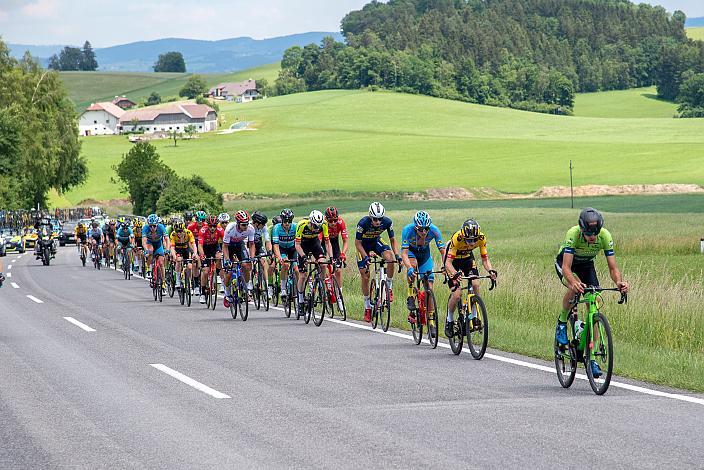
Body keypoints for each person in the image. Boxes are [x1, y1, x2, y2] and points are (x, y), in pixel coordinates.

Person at [554, 207, 629, 378]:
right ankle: (562, 322)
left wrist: (619, 282)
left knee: (593, 301)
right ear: (581, 229)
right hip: (566, 264)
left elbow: (613, 267)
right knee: (575, 288)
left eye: (595, 234)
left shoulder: (605, 236)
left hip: (586, 265)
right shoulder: (573, 234)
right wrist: (573, 282)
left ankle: (592, 357)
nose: (592, 238)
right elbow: (566, 267)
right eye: (589, 234)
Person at [444, 219, 497, 338]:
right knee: (457, 294)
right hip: (453, 261)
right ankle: (449, 320)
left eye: (474, 240)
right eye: (468, 240)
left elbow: (485, 259)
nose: (471, 243)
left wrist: (491, 271)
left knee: (475, 284)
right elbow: (448, 263)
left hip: (467, 259)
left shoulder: (482, 238)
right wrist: (454, 274)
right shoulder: (457, 238)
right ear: (463, 235)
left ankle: (474, 316)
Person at [355, 202, 401, 323]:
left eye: (380, 219)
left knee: (391, 258)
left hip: (376, 242)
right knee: (365, 276)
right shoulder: (362, 223)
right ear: (370, 217)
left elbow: (392, 240)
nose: (378, 222)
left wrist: (397, 255)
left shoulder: (388, 222)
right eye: (375, 219)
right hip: (363, 247)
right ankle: (367, 307)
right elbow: (357, 243)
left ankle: (389, 288)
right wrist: (365, 257)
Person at [400, 211, 445, 324]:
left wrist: (445, 266)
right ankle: (410, 293)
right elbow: (404, 253)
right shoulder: (407, 230)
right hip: (411, 253)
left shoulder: (435, 230)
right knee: (413, 265)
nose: (424, 232)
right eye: (420, 229)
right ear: (415, 227)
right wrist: (409, 268)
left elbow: (443, 252)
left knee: (429, 288)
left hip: (425, 255)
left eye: (426, 229)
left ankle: (430, 320)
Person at [295, 210, 333, 317]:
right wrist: (303, 257)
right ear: (311, 222)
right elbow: (297, 245)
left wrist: (331, 257)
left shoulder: (324, 224)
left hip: (314, 243)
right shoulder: (302, 225)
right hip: (302, 245)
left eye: (318, 226)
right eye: (315, 226)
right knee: (303, 275)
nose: (317, 228)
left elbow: (327, 242)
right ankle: (301, 301)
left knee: (323, 263)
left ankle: (320, 284)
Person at [222, 210, 256, 308]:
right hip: (229, 247)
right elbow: (224, 247)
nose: (246, 226)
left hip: (240, 245)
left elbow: (252, 244)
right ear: (237, 223)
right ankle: (227, 295)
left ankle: (246, 288)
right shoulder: (229, 229)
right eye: (243, 225)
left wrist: (252, 257)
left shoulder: (250, 229)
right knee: (228, 274)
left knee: (246, 265)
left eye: (247, 224)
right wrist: (228, 260)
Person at [272, 209, 297, 303]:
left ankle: (299, 290)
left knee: (297, 269)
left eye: (289, 221)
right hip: (282, 249)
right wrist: (279, 257)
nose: (287, 223)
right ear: (281, 220)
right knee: (285, 264)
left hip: (293, 249)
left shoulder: (295, 226)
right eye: (285, 221)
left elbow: (300, 242)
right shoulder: (277, 228)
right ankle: (283, 289)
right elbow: (275, 245)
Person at [198, 215, 224, 304]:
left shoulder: (220, 230)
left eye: (214, 226)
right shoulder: (203, 230)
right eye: (210, 226)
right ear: (207, 225)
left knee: (219, 257)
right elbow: (200, 245)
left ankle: (217, 273)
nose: (212, 228)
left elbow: (225, 242)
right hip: (205, 248)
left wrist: (224, 252)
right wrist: (202, 255)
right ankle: (202, 292)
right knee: (205, 271)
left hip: (215, 246)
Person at [324, 206, 348, 294]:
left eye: (335, 220)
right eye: (330, 221)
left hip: (334, 242)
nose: (333, 223)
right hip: (323, 242)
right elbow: (318, 242)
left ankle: (339, 293)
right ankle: (325, 287)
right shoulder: (323, 223)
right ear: (326, 219)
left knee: (338, 269)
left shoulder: (341, 222)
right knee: (323, 264)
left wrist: (343, 254)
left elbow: (345, 241)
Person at [142, 214, 169, 288]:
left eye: (154, 226)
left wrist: (167, 249)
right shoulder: (145, 228)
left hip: (158, 244)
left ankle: (163, 282)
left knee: (161, 263)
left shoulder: (161, 227)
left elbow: (167, 239)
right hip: (150, 243)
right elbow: (144, 241)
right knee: (150, 251)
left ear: (157, 224)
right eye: (150, 226)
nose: (152, 228)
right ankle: (148, 269)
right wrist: (146, 250)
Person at [251, 211, 274, 299]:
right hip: (249, 246)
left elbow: (267, 240)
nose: (264, 226)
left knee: (263, 262)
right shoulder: (248, 227)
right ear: (256, 223)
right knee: (249, 264)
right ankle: (249, 285)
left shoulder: (263, 227)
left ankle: (267, 286)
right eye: (263, 224)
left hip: (258, 245)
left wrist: (269, 252)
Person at [169, 221, 197, 290]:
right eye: (177, 231)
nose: (179, 233)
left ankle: (189, 281)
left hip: (186, 249)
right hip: (177, 249)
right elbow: (172, 247)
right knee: (178, 260)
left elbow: (193, 245)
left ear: (184, 230)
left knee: (189, 267)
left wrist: (195, 253)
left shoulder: (188, 233)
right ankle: (178, 280)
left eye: (181, 231)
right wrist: (174, 256)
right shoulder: (173, 234)